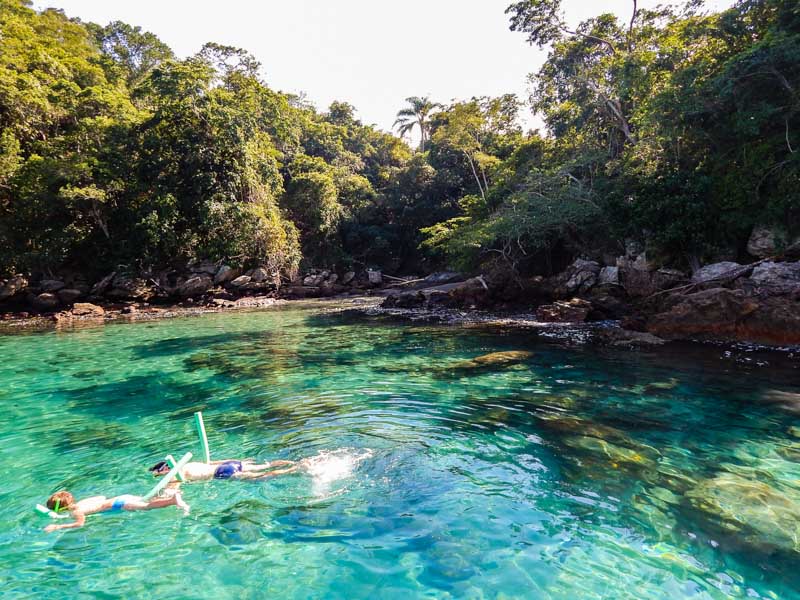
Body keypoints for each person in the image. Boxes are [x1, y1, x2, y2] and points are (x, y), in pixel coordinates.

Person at [42, 489, 189, 533]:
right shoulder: (81, 503)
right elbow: (101, 495)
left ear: (60, 509)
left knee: (147, 507)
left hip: (119, 504)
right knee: (146, 499)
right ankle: (169, 493)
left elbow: (80, 524)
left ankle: (173, 500)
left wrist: (58, 526)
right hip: (120, 497)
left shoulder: (76, 513)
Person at [148, 458, 299, 482]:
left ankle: (295, 469)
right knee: (267, 465)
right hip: (230, 464)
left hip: (222, 473)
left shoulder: (177, 475)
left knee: (261, 476)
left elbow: (174, 488)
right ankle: (296, 462)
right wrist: (239, 460)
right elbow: (211, 461)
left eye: (160, 472)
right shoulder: (188, 464)